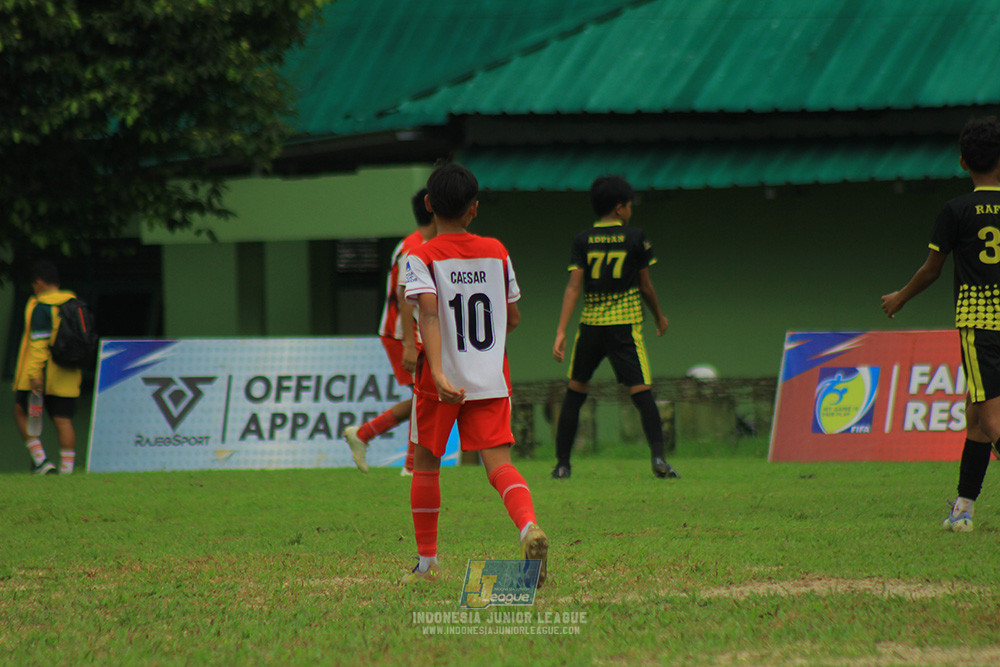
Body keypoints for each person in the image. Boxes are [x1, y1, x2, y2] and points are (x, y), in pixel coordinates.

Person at [400, 163, 548, 585]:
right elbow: (513, 317)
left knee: (427, 464)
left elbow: (428, 313)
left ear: (429, 205)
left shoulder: (420, 256)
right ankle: (527, 528)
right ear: (474, 209)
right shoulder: (497, 251)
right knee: (499, 465)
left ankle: (427, 564)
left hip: (439, 380)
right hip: (490, 377)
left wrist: (442, 372)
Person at [882, 116, 1000, 532]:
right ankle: (963, 509)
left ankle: (964, 509)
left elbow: (932, 271)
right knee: (975, 417)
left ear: (963, 162)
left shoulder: (956, 211)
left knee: (991, 419)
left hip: (981, 326)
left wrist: (899, 297)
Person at [551, 175, 678, 480]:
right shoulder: (636, 237)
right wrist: (659, 315)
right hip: (624, 326)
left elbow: (573, 286)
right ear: (620, 208)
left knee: (575, 392)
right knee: (641, 391)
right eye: (629, 204)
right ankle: (659, 459)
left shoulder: (582, 239)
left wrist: (561, 330)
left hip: (591, 326)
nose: (631, 209)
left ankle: (562, 465)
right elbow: (646, 286)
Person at [343, 189, 435, 475]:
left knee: (427, 397)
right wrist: (409, 342)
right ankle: (411, 466)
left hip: (412, 333)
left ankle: (365, 434)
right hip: (402, 333)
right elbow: (405, 294)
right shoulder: (412, 246)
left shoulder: (423, 243)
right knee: (425, 398)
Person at [13, 260, 83, 475]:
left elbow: (39, 344)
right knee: (63, 421)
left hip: (41, 374)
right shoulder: (75, 304)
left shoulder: (43, 307)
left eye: (34, 284)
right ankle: (67, 471)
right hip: (68, 374)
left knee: (20, 412)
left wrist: (34, 374)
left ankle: (41, 461)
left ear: (40, 283)